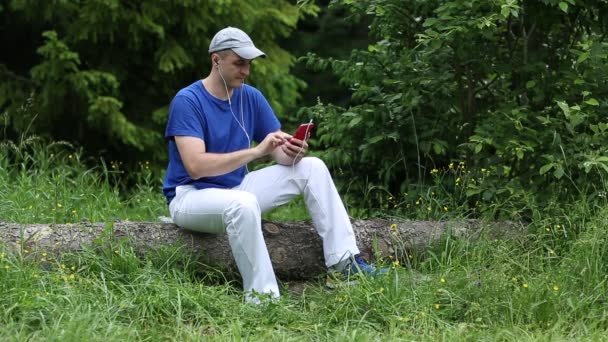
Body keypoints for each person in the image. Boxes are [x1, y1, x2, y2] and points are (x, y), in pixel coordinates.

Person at [162, 26, 387, 303]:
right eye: (239, 63)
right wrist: (257, 151)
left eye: (249, 64)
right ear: (216, 60)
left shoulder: (250, 97)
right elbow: (196, 167)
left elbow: (276, 152)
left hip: (236, 187)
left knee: (312, 167)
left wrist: (292, 152)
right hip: (190, 198)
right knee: (242, 204)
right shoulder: (188, 101)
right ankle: (262, 299)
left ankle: (344, 267)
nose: (246, 71)